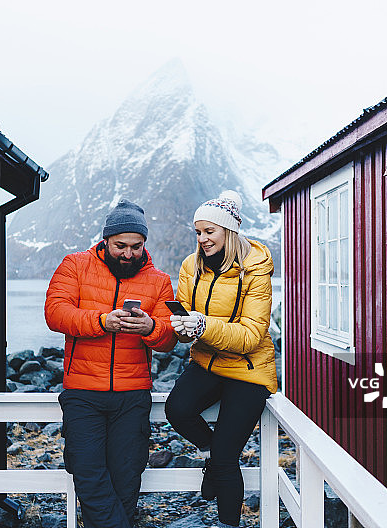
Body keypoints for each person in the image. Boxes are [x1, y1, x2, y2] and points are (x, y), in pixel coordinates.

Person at [45, 199, 177, 528]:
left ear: (144, 243)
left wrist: (151, 329)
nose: (128, 254)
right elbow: (55, 313)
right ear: (106, 240)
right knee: (88, 475)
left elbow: (169, 338)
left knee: (127, 478)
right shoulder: (75, 265)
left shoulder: (159, 281)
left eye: (136, 246)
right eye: (121, 245)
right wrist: (102, 321)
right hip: (82, 392)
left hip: (132, 395)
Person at [165, 190, 278, 528]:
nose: (202, 239)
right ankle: (213, 458)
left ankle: (229, 521)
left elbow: (250, 336)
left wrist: (203, 324)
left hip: (248, 370)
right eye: (198, 232)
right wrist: (184, 328)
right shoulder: (191, 266)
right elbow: (188, 324)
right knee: (177, 409)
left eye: (209, 231)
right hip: (207, 361)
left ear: (228, 230)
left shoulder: (255, 268)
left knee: (228, 457)